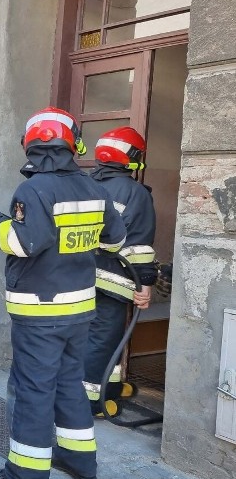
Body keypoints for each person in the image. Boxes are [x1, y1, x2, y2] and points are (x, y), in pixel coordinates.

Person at [0, 107, 126, 479]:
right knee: (69, 384)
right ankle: (79, 462)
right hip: (79, 311)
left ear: (31, 144)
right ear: (73, 145)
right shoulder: (95, 188)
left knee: (32, 391)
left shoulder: (33, 190)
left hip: (40, 314)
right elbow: (114, 242)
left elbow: (22, 243)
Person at [83, 127, 157, 417]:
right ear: (133, 157)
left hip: (80, 277)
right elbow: (139, 246)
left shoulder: (85, 185)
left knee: (103, 337)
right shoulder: (136, 193)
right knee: (102, 337)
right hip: (112, 280)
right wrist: (146, 284)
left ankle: (109, 387)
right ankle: (90, 402)